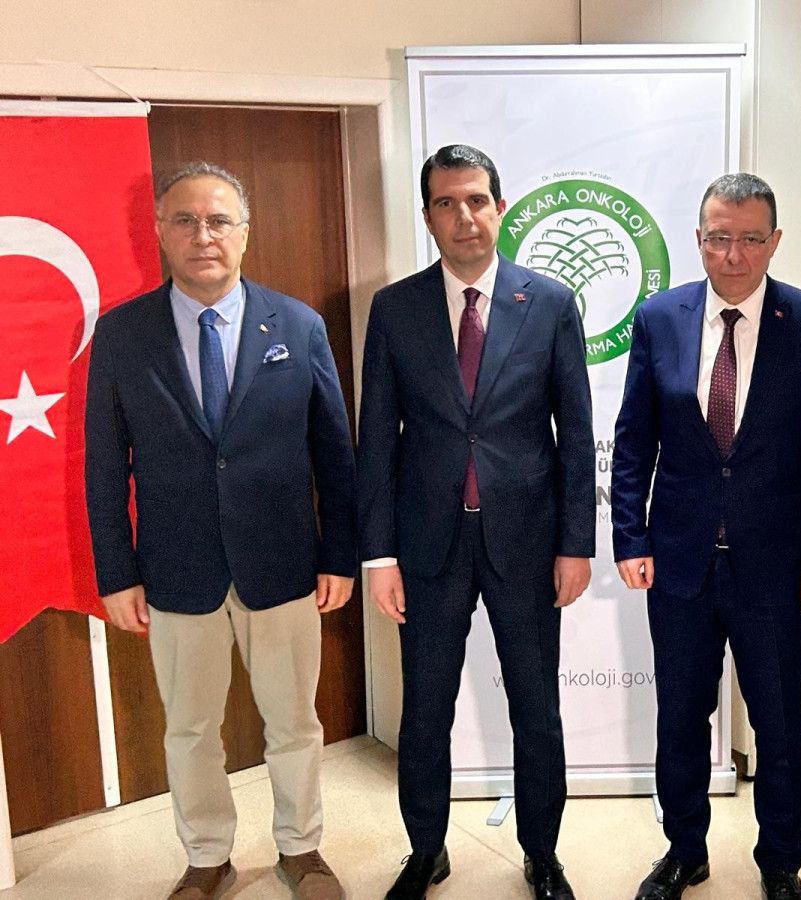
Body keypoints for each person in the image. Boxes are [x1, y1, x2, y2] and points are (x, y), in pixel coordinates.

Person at [85, 161, 356, 900]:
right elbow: (104, 464)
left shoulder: (297, 325)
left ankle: (301, 848)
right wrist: (116, 571)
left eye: (218, 220)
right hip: (176, 567)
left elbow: (334, 452)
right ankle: (207, 856)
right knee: (190, 729)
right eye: (185, 220)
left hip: (284, 563)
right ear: (160, 232)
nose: (202, 235)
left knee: (294, 722)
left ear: (244, 232)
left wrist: (340, 553)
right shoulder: (122, 334)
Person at [611, 173, 801, 900]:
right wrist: (630, 537)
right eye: (719, 238)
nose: (734, 255)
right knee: (681, 718)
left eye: (751, 239)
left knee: (780, 725)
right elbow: (634, 441)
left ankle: (781, 863)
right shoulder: (660, 318)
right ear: (698, 239)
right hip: (679, 564)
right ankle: (684, 849)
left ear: (775, 241)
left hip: (777, 567)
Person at [356, 144, 595, 900]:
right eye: (446, 203)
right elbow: (375, 440)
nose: (464, 216)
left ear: (500, 207)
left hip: (526, 542)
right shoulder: (394, 309)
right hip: (427, 545)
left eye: (477, 199)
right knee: (425, 711)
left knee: (537, 708)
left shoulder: (549, 302)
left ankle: (542, 853)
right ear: (428, 216)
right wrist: (378, 556)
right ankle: (426, 850)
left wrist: (576, 545)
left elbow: (576, 433)